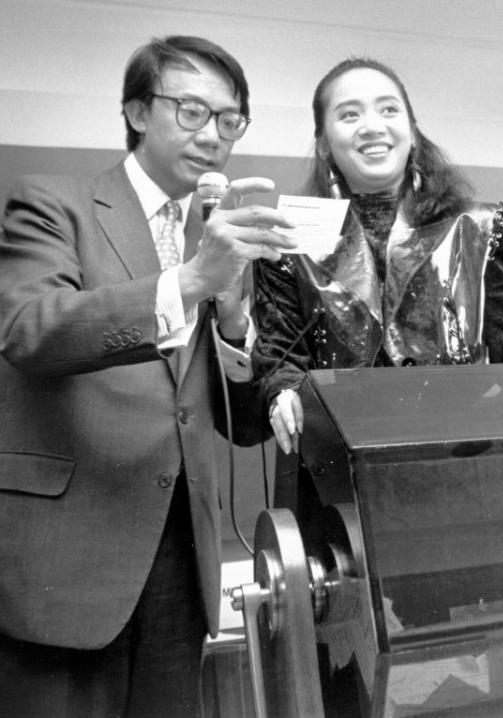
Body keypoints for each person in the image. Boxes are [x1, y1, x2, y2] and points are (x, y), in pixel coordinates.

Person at [0, 36, 294, 716]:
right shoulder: (52, 201)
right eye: (192, 110)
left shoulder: (218, 237)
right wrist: (189, 283)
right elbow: (29, 330)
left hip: (182, 556)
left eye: (230, 120)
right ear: (136, 110)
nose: (213, 134)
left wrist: (229, 320)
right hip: (68, 550)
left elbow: (242, 423)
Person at [253, 57, 503, 455]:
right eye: (349, 114)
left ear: (411, 131)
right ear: (324, 144)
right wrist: (281, 389)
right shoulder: (289, 243)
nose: (372, 125)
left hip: (466, 463)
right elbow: (279, 353)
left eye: (389, 109)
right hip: (342, 471)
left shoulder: (480, 226)